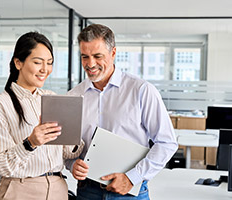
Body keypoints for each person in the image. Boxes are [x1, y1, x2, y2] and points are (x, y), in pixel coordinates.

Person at [65, 24, 178, 200]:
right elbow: (66, 149)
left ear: (113, 53)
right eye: (84, 57)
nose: (90, 64)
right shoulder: (73, 96)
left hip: (129, 192)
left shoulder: (141, 90)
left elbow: (166, 142)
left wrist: (132, 177)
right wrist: (72, 164)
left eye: (97, 56)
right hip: (88, 191)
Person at [0, 32, 83, 200]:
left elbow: (68, 153)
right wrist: (30, 143)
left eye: (49, 63)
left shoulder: (50, 97)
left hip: (57, 189)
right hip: (21, 190)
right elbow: (0, 165)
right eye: (38, 62)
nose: (45, 69)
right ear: (18, 63)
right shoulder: (1, 104)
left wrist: (74, 134)